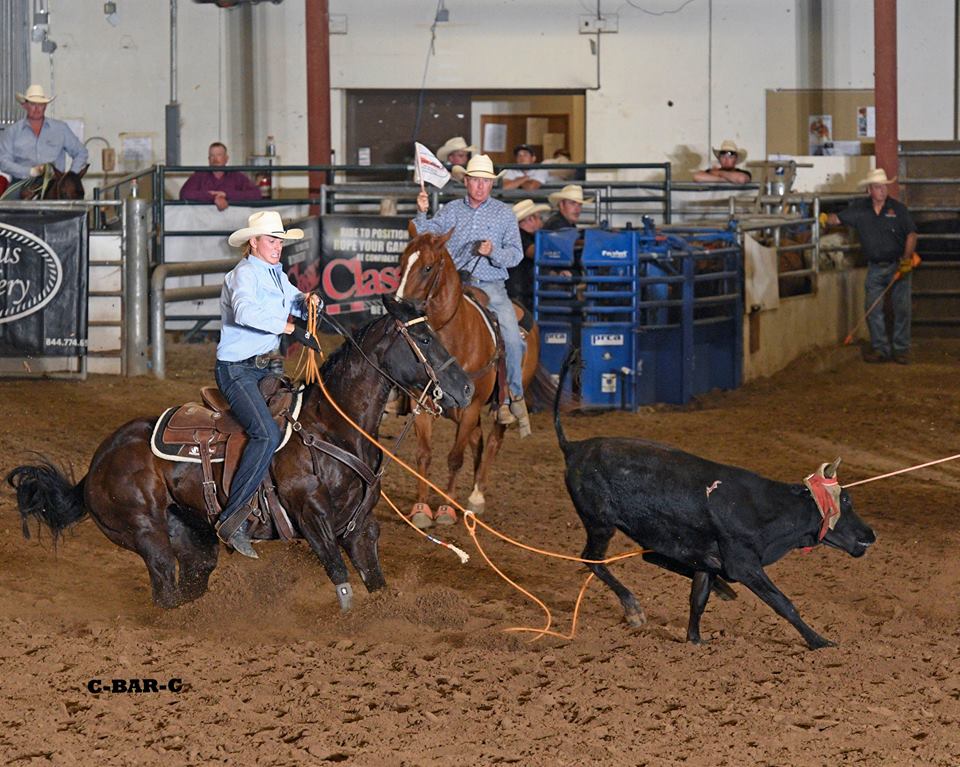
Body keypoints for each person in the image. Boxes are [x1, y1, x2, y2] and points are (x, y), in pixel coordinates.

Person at [215, 210, 323, 556]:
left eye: (280, 241)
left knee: (298, 420)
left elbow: (293, 298)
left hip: (264, 369)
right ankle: (232, 517)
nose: (278, 247)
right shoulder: (243, 275)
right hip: (237, 370)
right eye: (272, 241)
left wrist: (308, 303)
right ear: (254, 242)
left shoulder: (275, 273)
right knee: (266, 433)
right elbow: (245, 312)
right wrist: (291, 327)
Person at [413, 154, 529, 430]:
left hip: (491, 285)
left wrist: (493, 252)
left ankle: (513, 395)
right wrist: (421, 212)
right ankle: (408, 389)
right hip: (454, 287)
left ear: (492, 184)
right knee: (414, 324)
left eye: (486, 181)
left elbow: (516, 255)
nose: (480, 186)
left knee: (513, 338)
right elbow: (426, 236)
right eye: (476, 180)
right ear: (466, 181)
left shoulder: (503, 213)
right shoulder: (452, 210)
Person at [825, 168, 918, 364]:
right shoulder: (860, 209)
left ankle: (901, 349)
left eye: (884, 186)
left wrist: (906, 259)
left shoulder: (898, 209)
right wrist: (824, 218)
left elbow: (911, 234)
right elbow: (838, 219)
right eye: (878, 187)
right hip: (875, 266)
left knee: (902, 308)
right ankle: (881, 348)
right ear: (870, 190)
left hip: (898, 264)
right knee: (872, 308)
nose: (882, 190)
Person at [0, 84, 88, 186]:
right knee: (6, 201)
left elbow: (81, 152)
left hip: (55, 183)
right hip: (21, 183)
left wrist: (71, 175)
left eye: (41, 104)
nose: (37, 108)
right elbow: (3, 161)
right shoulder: (13, 131)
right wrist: (29, 171)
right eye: (33, 104)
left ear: (45, 106)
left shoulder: (60, 129)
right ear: (25, 105)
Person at [179, 142, 262, 211]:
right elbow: (184, 194)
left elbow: (256, 194)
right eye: (212, 156)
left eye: (219, 155)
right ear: (208, 159)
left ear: (226, 158)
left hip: (231, 224)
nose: (215, 159)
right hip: (205, 225)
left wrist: (226, 195)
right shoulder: (200, 175)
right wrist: (213, 197)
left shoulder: (236, 176)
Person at [506, 199, 549, 309]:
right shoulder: (518, 236)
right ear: (530, 219)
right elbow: (534, 252)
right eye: (539, 218)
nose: (541, 222)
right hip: (520, 293)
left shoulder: (520, 235)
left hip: (521, 291)